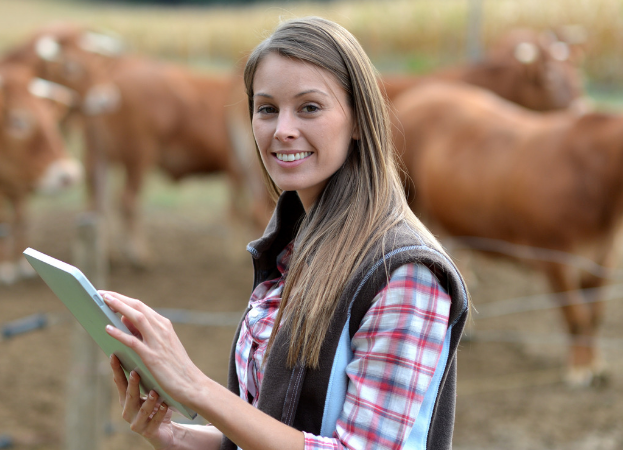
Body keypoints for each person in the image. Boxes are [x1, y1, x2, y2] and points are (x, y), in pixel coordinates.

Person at [100, 16, 468, 450]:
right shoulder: (296, 240)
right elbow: (277, 428)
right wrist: (174, 435)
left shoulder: (403, 272)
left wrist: (196, 387)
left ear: (357, 120)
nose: (282, 129)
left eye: (309, 107)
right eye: (267, 108)